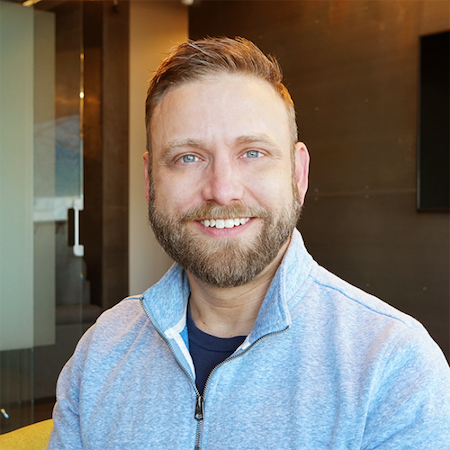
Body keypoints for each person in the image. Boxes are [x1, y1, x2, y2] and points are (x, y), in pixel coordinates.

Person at [47, 37, 450, 449]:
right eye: (188, 157)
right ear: (150, 181)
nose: (222, 191)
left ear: (298, 174)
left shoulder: (393, 366)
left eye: (252, 153)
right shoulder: (100, 352)